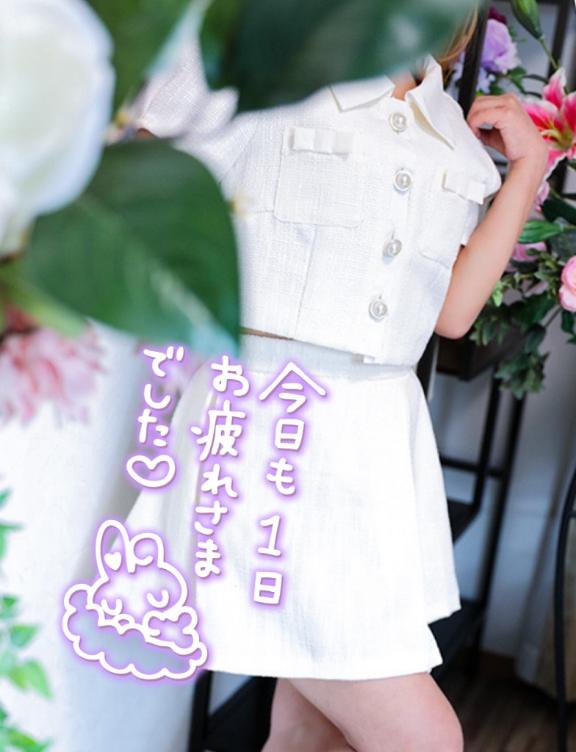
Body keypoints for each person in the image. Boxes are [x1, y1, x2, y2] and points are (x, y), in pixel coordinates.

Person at [128, 7, 548, 751]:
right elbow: (141, 175)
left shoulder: (450, 133)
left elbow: (452, 313)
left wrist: (529, 171)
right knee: (427, 740)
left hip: (375, 451)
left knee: (308, 736)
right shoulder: (275, 61)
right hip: (275, 434)